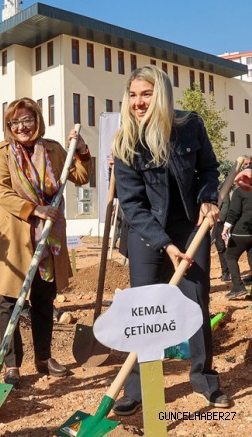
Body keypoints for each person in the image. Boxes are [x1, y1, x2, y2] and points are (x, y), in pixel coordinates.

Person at [111, 65, 229, 416]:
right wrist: (165, 244)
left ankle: (204, 379)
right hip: (148, 234)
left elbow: (209, 167)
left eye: (146, 94)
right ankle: (137, 388)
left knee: (196, 304)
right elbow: (132, 205)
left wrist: (209, 197)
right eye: (133, 95)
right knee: (144, 310)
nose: (138, 102)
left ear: (160, 93)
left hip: (191, 228)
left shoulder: (190, 125)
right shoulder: (125, 142)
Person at [0, 97, 90, 386]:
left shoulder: (55, 150)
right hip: (15, 237)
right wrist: (35, 209)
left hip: (49, 240)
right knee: (10, 302)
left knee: (44, 300)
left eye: (27, 120)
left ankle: (43, 358)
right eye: (14, 122)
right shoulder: (1, 153)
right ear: (8, 126)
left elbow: (81, 176)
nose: (21, 127)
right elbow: (1, 193)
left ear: (37, 120)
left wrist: (81, 149)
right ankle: (12, 365)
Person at [221, 173, 252, 300]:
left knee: (230, 256)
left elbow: (234, 212)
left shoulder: (240, 192)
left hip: (241, 232)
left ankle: (238, 287)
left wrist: (225, 228)